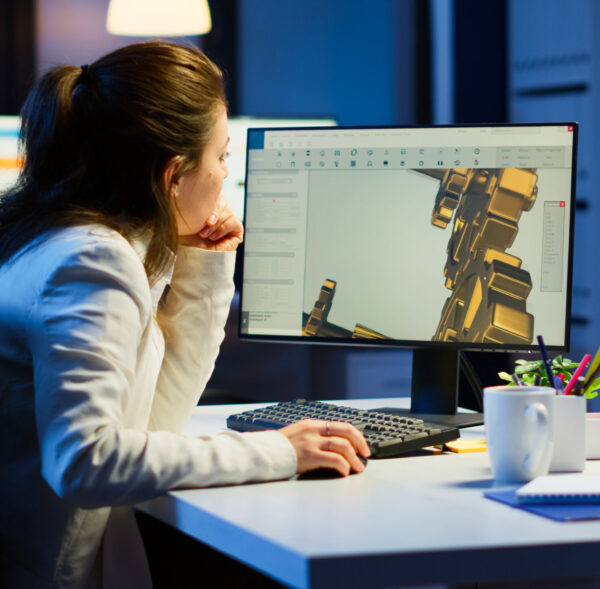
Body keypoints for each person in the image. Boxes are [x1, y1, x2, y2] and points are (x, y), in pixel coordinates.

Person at [0, 40, 370, 588]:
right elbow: (84, 462)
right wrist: (278, 448)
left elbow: (154, 422)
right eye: (222, 156)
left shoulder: (62, 237)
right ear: (174, 175)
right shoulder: (92, 261)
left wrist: (205, 265)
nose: (226, 174)